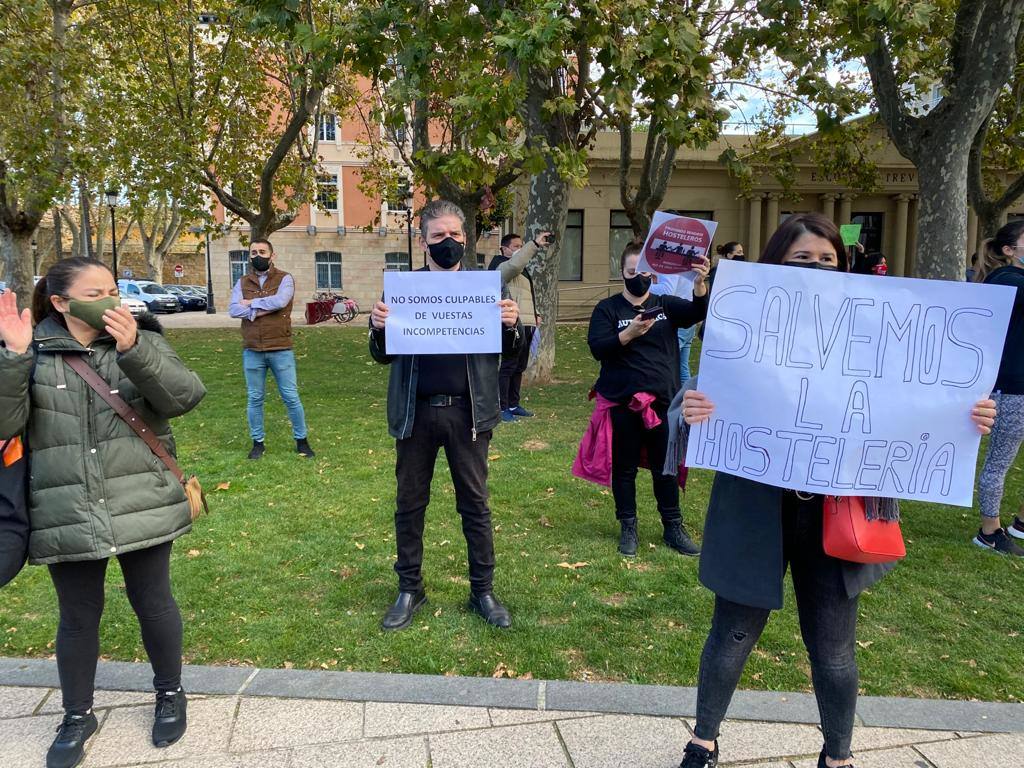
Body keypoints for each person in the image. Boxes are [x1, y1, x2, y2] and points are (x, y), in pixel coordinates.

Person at [673, 214, 997, 768]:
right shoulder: (744, 328)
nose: (818, 269)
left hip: (835, 515)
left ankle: (838, 755)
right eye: (803, 259)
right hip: (756, 511)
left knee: (832, 650)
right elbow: (696, 400)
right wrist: (691, 409)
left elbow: (910, 402)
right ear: (776, 265)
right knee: (731, 636)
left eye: (828, 259)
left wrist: (963, 417)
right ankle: (703, 739)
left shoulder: (874, 336)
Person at [0, 258, 206, 768]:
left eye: (114, 289)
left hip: (140, 495)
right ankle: (76, 714)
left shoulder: (141, 339)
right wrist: (15, 357)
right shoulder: (32, 351)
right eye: (97, 292)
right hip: (65, 502)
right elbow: (5, 424)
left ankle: (170, 693)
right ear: (62, 302)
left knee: (154, 601)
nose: (111, 298)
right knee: (77, 615)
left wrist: (136, 348)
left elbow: (184, 396)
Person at [369, 200, 523, 630]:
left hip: (469, 415)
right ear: (423, 241)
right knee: (409, 503)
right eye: (438, 236)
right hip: (414, 414)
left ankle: (483, 590)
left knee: (475, 505)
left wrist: (513, 324)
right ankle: (409, 588)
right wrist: (377, 327)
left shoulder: (488, 288)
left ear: (465, 238)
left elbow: (511, 351)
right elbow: (381, 355)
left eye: (455, 234)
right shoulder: (401, 289)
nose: (448, 242)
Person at [582, 242, 709, 557]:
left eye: (644, 272)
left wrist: (699, 284)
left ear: (653, 275)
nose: (638, 277)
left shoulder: (665, 304)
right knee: (623, 468)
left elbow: (697, 312)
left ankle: (673, 526)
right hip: (622, 403)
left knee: (664, 467)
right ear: (621, 273)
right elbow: (598, 347)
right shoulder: (608, 309)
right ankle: (628, 526)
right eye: (631, 272)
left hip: (663, 402)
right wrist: (628, 334)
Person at [228, 238, 313, 459]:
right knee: (255, 398)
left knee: (291, 397)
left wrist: (252, 305)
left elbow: (281, 302)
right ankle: (258, 443)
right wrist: (260, 309)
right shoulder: (242, 282)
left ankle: (301, 441)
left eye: (262, 251)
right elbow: (234, 310)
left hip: (280, 347)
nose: (258, 255)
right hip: (252, 350)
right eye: (254, 252)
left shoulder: (284, 278)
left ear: (272, 255)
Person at [972, 219, 1024, 555]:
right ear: (1009, 250)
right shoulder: (1006, 278)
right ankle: (989, 530)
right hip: (1013, 387)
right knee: (1000, 460)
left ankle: (1020, 523)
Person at [488, 230, 552, 422]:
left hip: (528, 324)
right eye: (516, 246)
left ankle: (514, 404)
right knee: (508, 366)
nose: (520, 249)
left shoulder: (522, 270)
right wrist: (534, 244)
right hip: (512, 325)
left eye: (521, 245)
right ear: (504, 248)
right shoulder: (500, 266)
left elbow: (525, 296)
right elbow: (515, 264)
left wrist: (535, 315)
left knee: (519, 367)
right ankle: (502, 406)